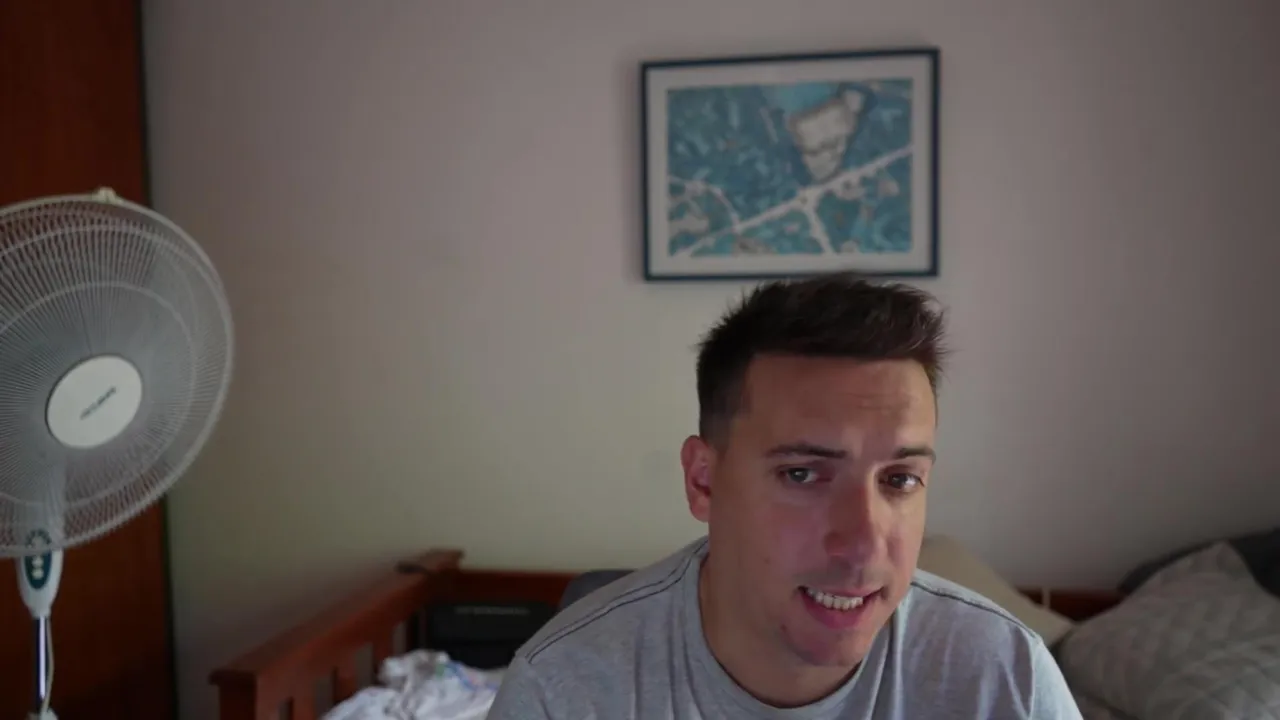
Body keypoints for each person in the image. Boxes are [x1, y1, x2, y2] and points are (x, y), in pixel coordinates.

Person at [487, 272, 1083, 719]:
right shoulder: (565, 690)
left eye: (899, 479)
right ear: (703, 481)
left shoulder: (1004, 680)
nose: (864, 544)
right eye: (802, 475)